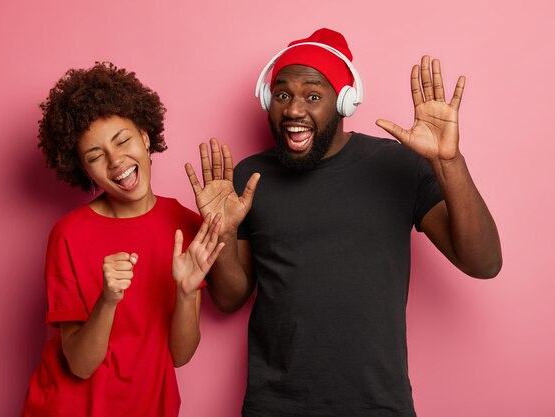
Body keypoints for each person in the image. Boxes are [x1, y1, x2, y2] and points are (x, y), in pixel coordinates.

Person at [185, 28, 502, 417]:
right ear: (268, 99)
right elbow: (229, 298)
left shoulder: (397, 165)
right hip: (275, 406)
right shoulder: (250, 179)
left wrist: (448, 162)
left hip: (377, 404)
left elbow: (483, 262)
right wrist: (225, 232)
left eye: (313, 96)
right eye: (282, 94)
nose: (294, 110)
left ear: (345, 102)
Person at [21, 62, 224, 417]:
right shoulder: (68, 235)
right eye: (96, 156)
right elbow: (80, 365)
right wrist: (108, 300)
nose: (116, 161)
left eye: (123, 140)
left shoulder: (184, 224)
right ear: (84, 170)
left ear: (145, 137)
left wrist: (187, 291)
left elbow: (180, 355)